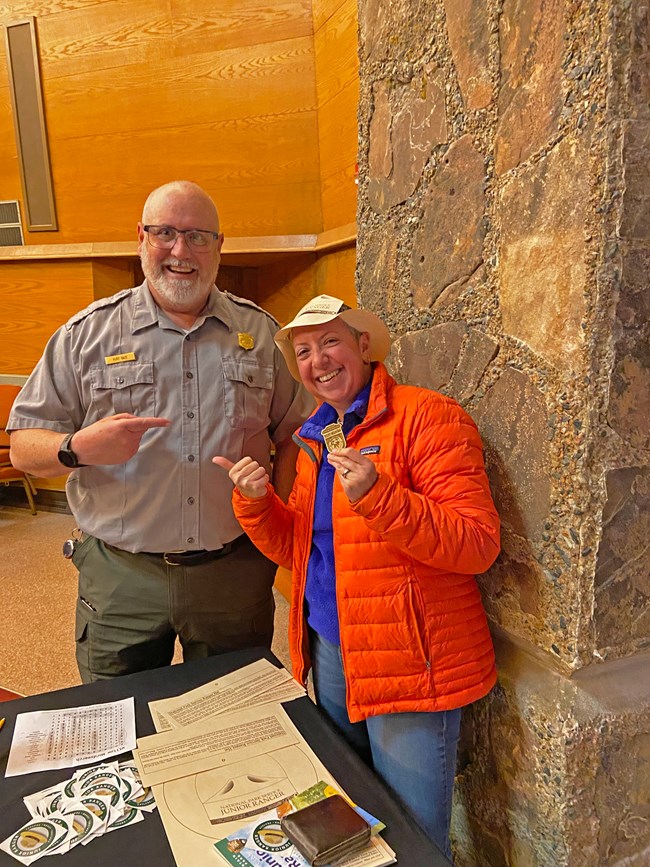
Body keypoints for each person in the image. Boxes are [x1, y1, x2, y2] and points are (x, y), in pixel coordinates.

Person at [214, 294, 500, 858]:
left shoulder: (428, 416)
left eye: (330, 342)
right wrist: (254, 503)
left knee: (415, 837)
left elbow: (477, 543)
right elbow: (300, 551)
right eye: (304, 351)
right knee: (360, 821)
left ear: (363, 347)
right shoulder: (321, 436)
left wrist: (379, 496)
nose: (318, 360)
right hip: (330, 648)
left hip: (407, 663)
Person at [8, 180, 314, 683]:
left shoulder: (260, 334)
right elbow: (23, 444)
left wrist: (279, 525)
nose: (180, 250)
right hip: (121, 576)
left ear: (219, 246)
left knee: (232, 721)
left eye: (198, 236)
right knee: (115, 725)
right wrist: (77, 447)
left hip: (232, 571)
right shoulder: (86, 335)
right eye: (165, 232)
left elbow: (295, 434)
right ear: (141, 239)